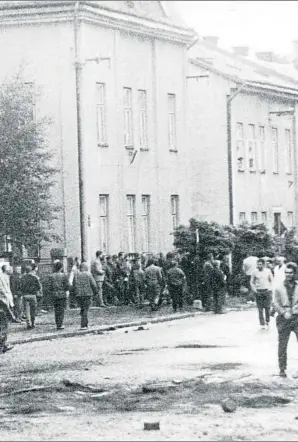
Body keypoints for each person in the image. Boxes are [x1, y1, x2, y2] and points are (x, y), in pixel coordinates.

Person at [273, 262, 298, 377]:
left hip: (296, 317)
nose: (288, 275)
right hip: (284, 318)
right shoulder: (279, 287)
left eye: (291, 273)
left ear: (294, 273)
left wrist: (295, 310)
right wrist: (283, 312)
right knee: (282, 345)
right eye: (286, 273)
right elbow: (275, 303)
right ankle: (282, 369)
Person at [73, 262, 98, 330]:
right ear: (84, 267)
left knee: (82, 308)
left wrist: (75, 293)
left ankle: (84, 322)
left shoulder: (76, 274)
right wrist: (95, 292)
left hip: (79, 294)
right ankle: (83, 325)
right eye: (87, 267)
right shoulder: (88, 274)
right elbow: (93, 284)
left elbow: (74, 284)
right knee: (85, 309)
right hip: (87, 294)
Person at [250, 258, 273, 329]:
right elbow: (251, 282)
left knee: (267, 308)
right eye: (258, 264)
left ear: (263, 265)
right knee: (260, 309)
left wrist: (270, 288)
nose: (259, 266)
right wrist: (254, 289)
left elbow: (272, 280)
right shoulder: (254, 272)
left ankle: (267, 321)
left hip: (267, 291)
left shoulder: (268, 271)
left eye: (260, 264)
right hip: (258, 291)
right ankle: (262, 323)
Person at [48, 261, 70, 330]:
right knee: (61, 310)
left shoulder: (51, 276)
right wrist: (65, 290)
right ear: (61, 268)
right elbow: (67, 286)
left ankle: (57, 323)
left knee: (56, 309)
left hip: (54, 294)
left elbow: (49, 287)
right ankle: (60, 324)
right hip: (62, 294)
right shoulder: (64, 276)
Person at [20, 263, 42, 330]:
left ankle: (28, 324)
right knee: (33, 310)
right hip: (33, 295)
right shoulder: (35, 277)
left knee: (27, 311)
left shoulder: (22, 278)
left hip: (25, 295)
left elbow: (20, 287)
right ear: (31, 270)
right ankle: (33, 323)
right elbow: (39, 287)